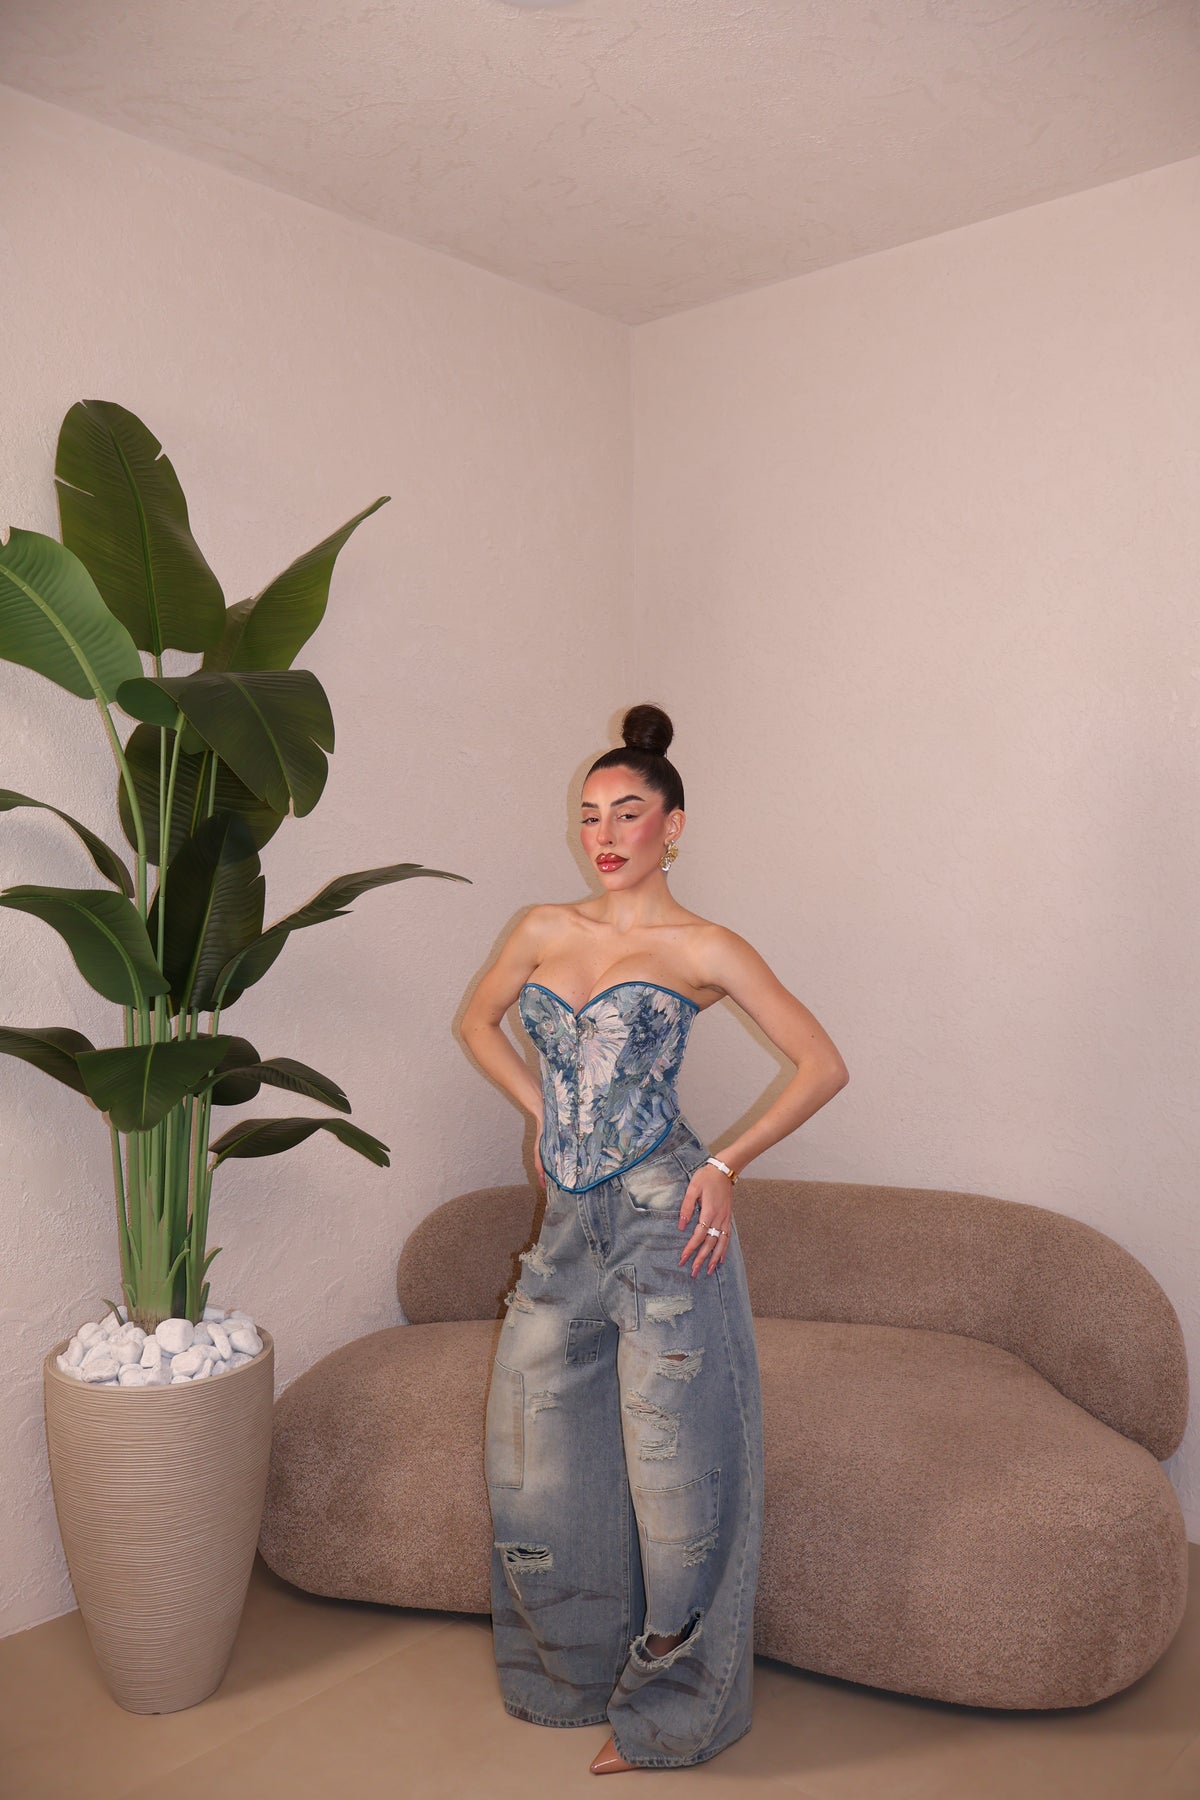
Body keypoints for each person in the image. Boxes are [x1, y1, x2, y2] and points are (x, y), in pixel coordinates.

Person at [460, 702, 849, 1773]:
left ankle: (675, 1713)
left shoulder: (704, 947)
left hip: (664, 1221)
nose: (605, 833)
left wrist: (726, 1164)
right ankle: (569, 1679)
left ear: (673, 826)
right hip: (564, 1229)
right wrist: (541, 1111)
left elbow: (821, 1063)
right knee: (534, 1464)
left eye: (628, 812)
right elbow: (477, 1024)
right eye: (590, 815)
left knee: (679, 1476)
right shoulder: (542, 928)